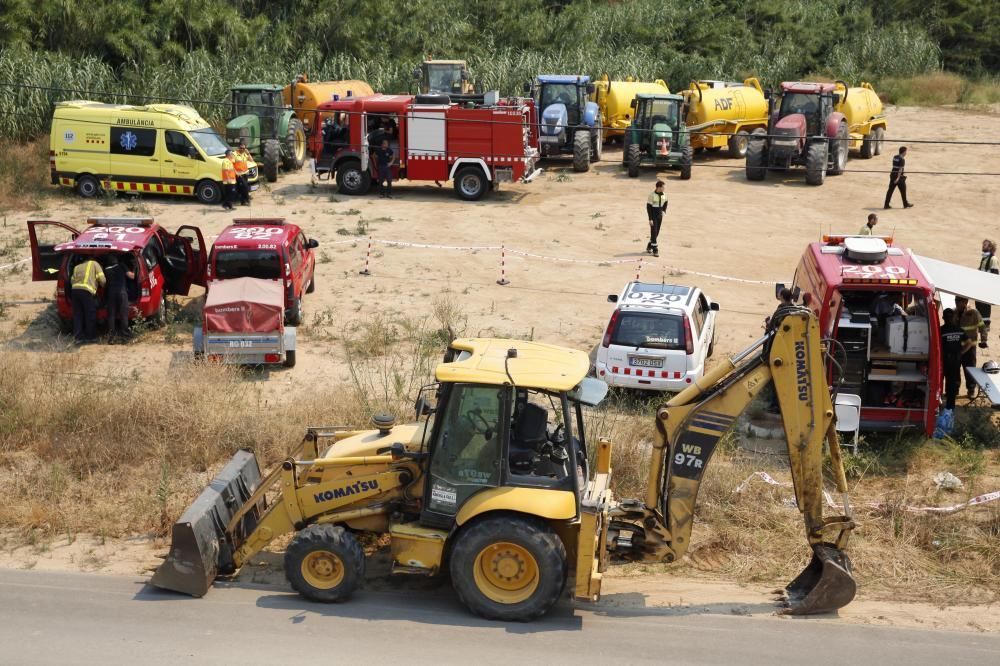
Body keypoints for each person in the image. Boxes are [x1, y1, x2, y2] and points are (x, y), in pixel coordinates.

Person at [955, 296, 987, 399]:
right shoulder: (954, 312)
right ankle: (955, 390)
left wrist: (983, 340)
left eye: (959, 301)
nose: (957, 303)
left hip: (970, 347)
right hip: (957, 346)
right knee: (955, 369)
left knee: (970, 369)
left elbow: (982, 326)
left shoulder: (974, 312)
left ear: (965, 301)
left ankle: (971, 390)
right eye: (956, 301)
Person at [940, 308, 971, 410]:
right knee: (952, 383)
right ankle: (950, 407)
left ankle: (939, 403)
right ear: (954, 317)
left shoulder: (940, 330)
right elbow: (969, 343)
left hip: (943, 360)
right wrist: (961, 352)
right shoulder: (960, 330)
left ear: (943, 318)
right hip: (955, 360)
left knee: (940, 381)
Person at [70, 256, 106, 344]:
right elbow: (102, 280)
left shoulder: (77, 267)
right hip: (86, 292)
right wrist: (105, 287)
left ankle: (78, 338)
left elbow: (71, 280)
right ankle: (91, 337)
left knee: (78, 315)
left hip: (74, 291)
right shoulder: (94, 264)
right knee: (90, 314)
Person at [104, 256, 135, 344]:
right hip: (121, 293)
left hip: (111, 293)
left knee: (111, 315)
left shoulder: (106, 269)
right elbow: (131, 276)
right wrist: (134, 268)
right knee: (123, 313)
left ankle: (111, 337)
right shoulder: (121, 265)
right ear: (116, 260)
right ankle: (124, 335)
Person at [976, 239, 998, 339]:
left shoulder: (993, 259)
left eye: (986, 245)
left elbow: (995, 275)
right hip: (981, 289)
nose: (983, 246)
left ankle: (984, 339)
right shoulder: (984, 258)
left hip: (986, 290)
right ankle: (982, 336)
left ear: (990, 247)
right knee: (979, 312)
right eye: (983, 244)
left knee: (984, 314)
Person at [645, 180, 667, 257]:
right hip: (653, 215)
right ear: (659, 187)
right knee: (653, 232)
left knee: (656, 232)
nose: (664, 188)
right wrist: (650, 219)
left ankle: (649, 245)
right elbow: (648, 207)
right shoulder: (652, 195)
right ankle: (655, 249)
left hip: (660, 216)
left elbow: (666, 202)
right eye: (663, 187)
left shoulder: (664, 194)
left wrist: (664, 210)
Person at [233, 141, 252, 206]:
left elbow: (251, 160)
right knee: (245, 187)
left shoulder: (244, 153)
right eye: (241, 148)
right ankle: (247, 200)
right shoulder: (234, 154)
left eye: (244, 148)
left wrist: (248, 153)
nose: (242, 149)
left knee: (242, 188)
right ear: (238, 147)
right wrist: (236, 173)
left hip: (245, 174)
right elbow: (231, 165)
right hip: (239, 175)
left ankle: (242, 202)